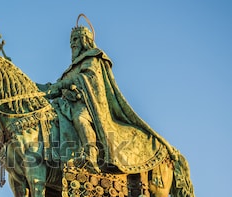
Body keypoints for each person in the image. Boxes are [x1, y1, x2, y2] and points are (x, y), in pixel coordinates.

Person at [39, 14, 175, 175]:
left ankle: (90, 155)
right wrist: (29, 85)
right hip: (66, 105)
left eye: (75, 40)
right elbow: (54, 87)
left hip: (88, 105)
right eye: (71, 42)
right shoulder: (70, 69)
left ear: (84, 40)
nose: (72, 45)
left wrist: (66, 85)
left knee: (80, 119)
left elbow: (88, 78)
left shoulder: (93, 58)